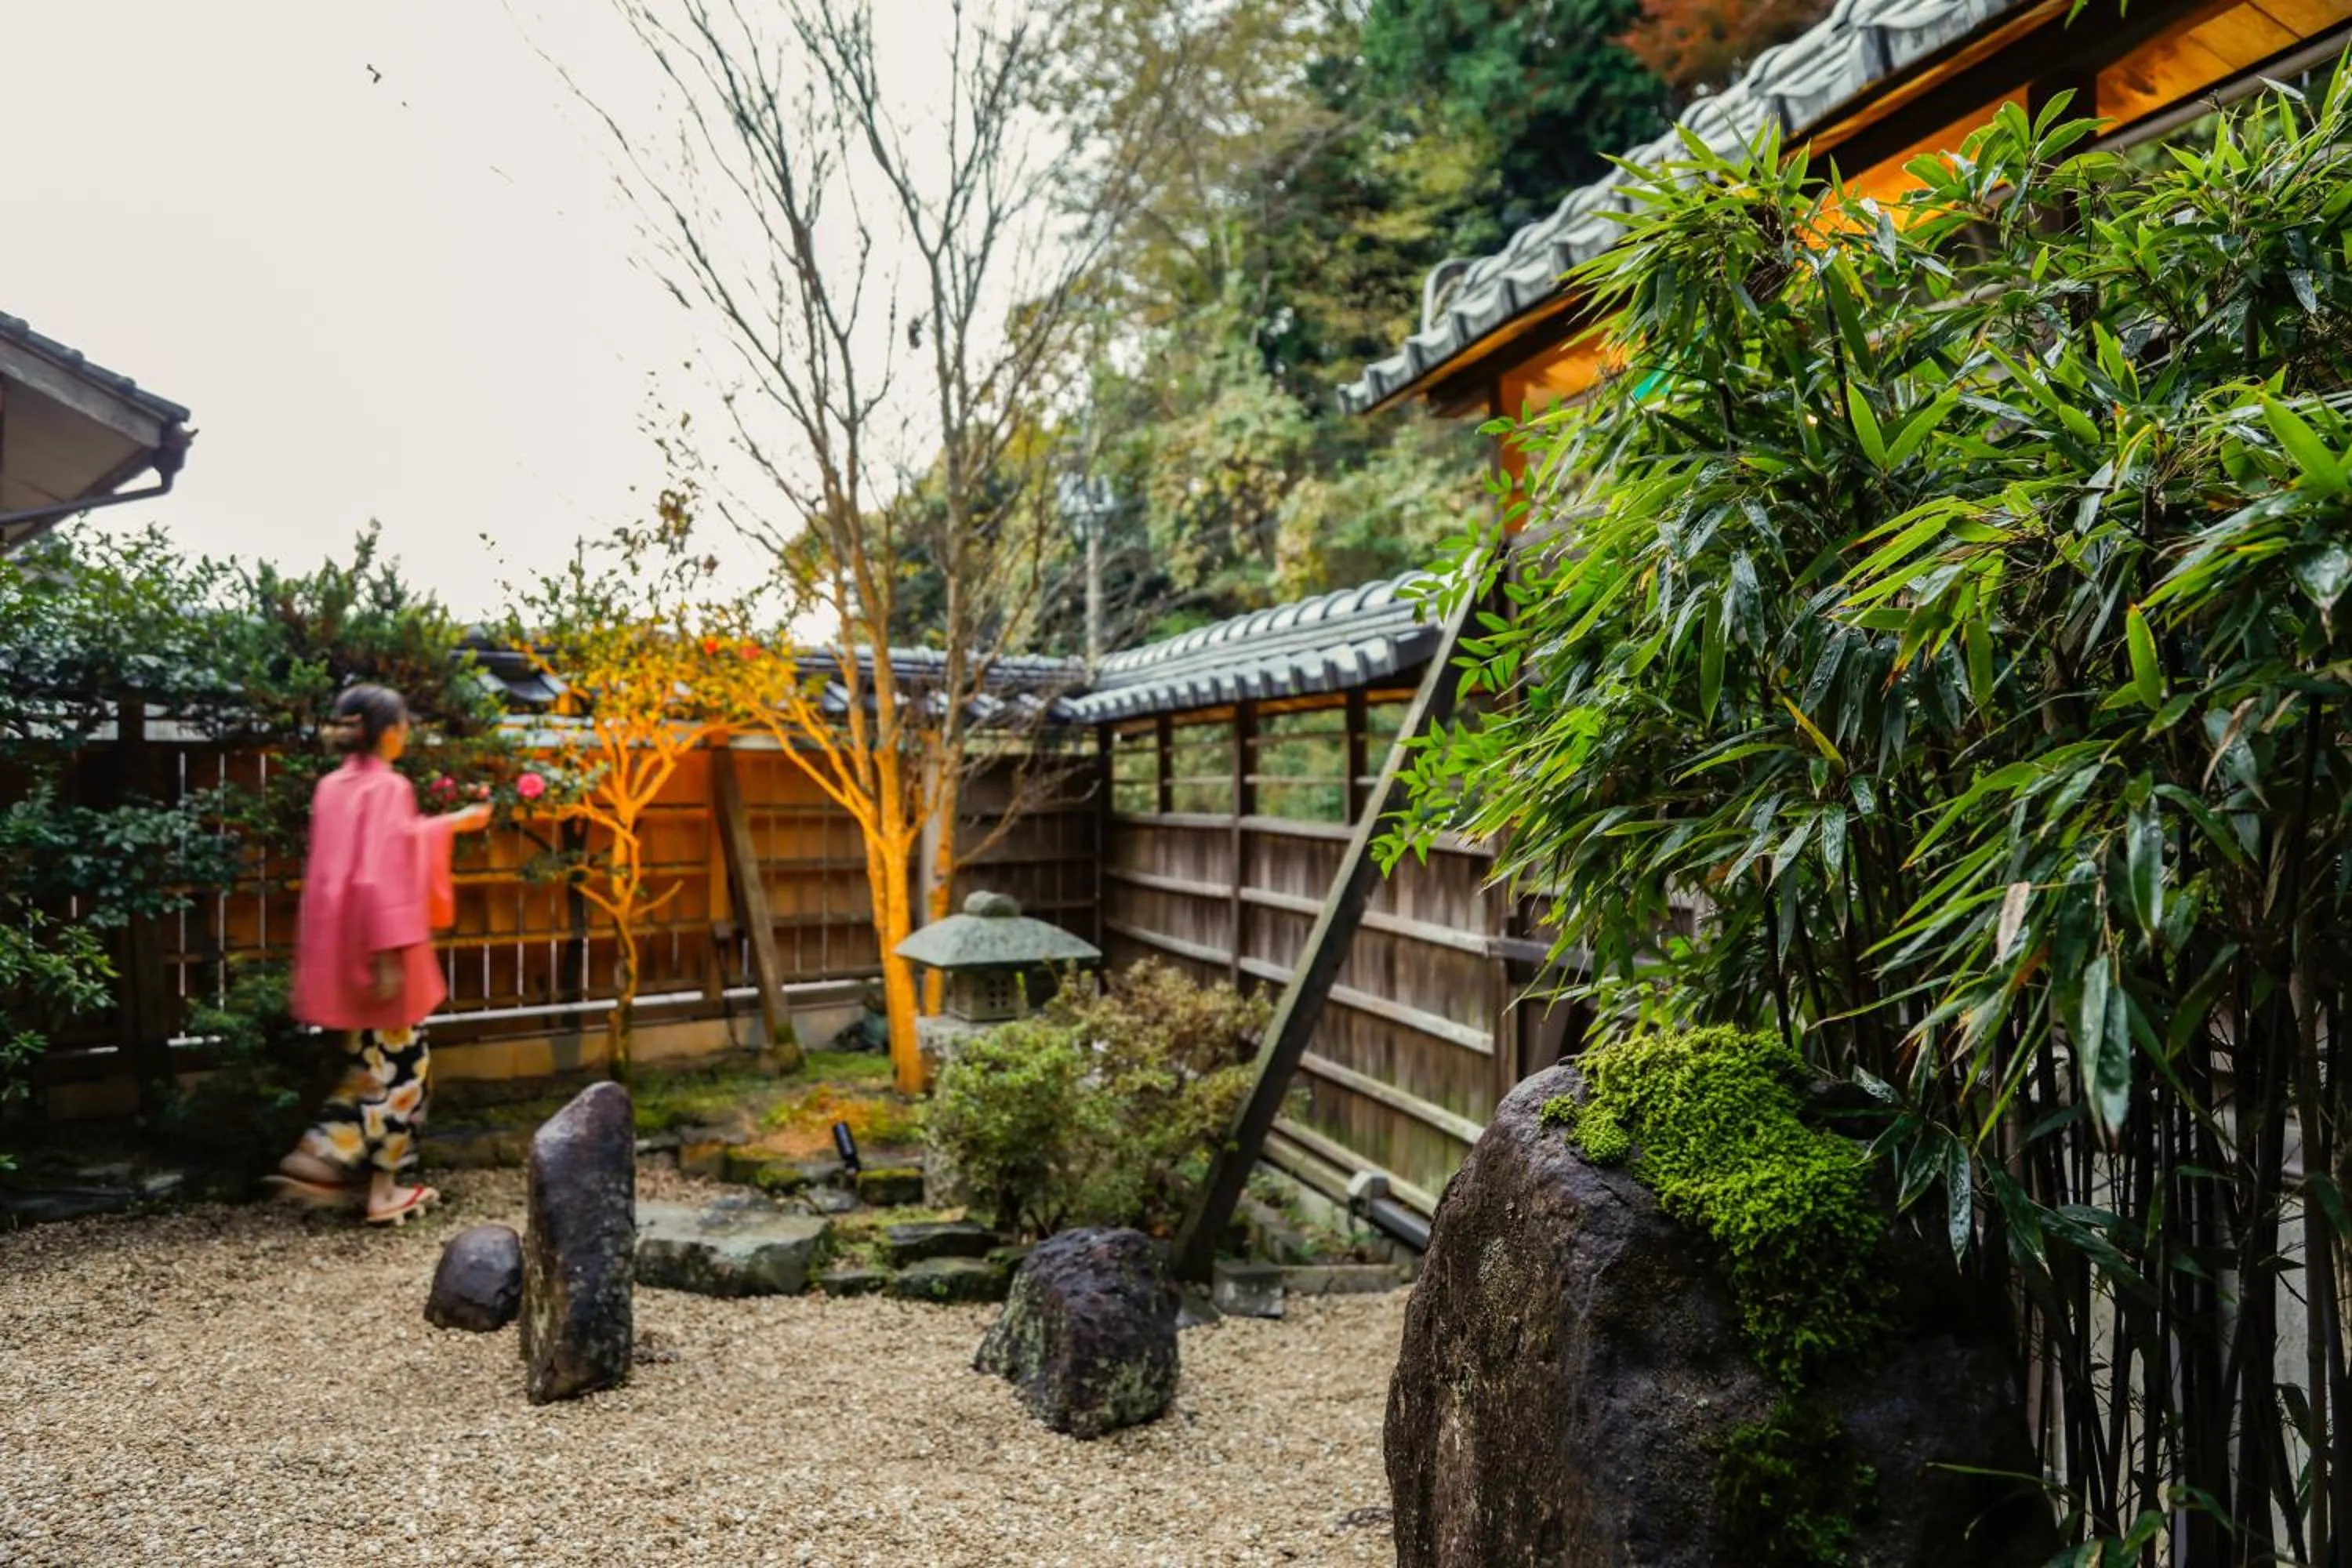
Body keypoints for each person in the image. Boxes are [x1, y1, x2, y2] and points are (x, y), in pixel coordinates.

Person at [266, 684, 490, 1225]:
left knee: (370, 1066)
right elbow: (380, 875)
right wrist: (390, 952)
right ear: (390, 732)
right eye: (406, 725)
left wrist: (455, 821)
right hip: (383, 954)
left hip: (343, 956)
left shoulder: (332, 788)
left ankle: (321, 1155)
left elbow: (382, 852)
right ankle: (373, 1184)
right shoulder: (388, 789)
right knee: (405, 1071)